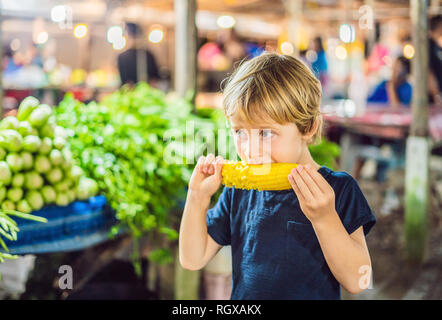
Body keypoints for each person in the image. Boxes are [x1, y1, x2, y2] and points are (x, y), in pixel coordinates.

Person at [179, 52, 376, 299]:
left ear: (308, 127)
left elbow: (359, 281)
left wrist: (325, 219)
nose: (250, 150)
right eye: (240, 132)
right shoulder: (238, 193)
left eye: (266, 133)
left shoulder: (338, 190)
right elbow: (192, 258)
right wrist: (196, 198)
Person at [117, 22, 160, 87]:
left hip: (144, 92)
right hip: (134, 93)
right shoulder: (122, 57)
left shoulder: (148, 55)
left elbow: (155, 78)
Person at [429, 15, 442, 104]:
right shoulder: (428, 45)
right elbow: (428, 71)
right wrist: (437, 96)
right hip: (432, 99)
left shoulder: (437, 46)